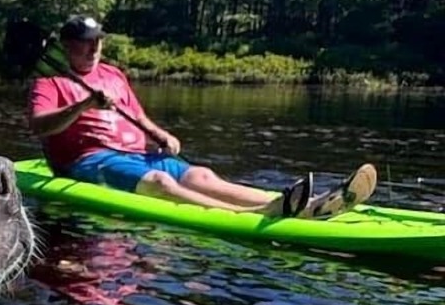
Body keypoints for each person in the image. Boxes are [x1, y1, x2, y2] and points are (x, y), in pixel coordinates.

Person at [27, 14, 377, 219]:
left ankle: (294, 205)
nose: (93, 49)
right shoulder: (50, 81)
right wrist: (82, 106)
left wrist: (161, 135)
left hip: (138, 154)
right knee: (161, 185)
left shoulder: (113, 75)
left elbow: (137, 116)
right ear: (67, 46)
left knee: (203, 175)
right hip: (89, 161)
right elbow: (39, 125)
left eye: (97, 42)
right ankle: (247, 217)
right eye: (85, 43)